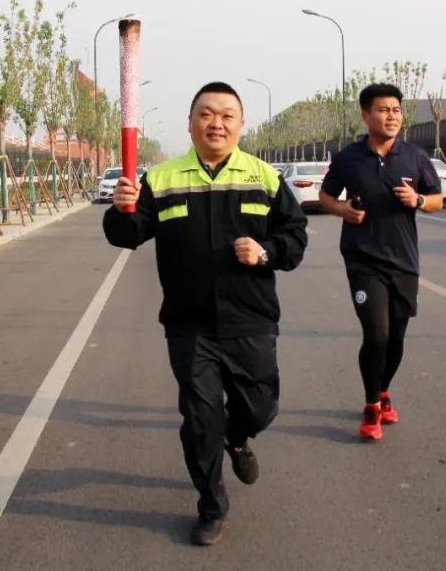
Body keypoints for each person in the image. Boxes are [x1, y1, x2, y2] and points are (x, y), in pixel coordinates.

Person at [103, 81, 308, 546]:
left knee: (261, 407)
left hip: (250, 318)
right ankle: (211, 506)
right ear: (191, 122)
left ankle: (237, 437)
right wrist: (121, 210)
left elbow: (295, 238)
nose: (216, 123)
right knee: (200, 419)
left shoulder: (264, 177)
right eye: (206, 114)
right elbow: (128, 235)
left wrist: (266, 251)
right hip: (189, 323)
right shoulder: (163, 179)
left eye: (226, 115)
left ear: (241, 125)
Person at [318, 83, 443, 441]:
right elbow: (326, 195)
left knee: (396, 339)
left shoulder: (415, 157)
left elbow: (437, 199)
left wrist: (418, 200)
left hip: (404, 261)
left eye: (396, 110)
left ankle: (383, 390)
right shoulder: (348, 158)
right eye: (384, 110)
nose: (392, 116)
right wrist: (342, 209)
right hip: (362, 258)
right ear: (365, 115)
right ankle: (372, 405)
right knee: (377, 334)